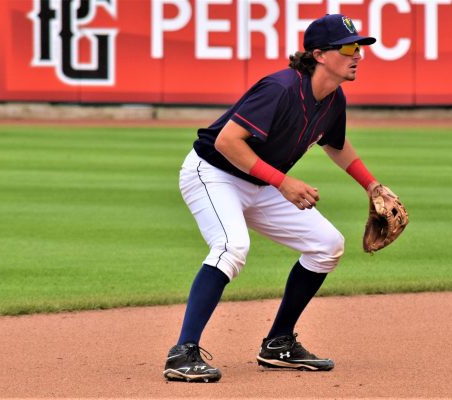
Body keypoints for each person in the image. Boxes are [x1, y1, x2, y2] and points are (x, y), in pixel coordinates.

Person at [163, 14, 386, 383]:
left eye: (360, 47)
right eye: (348, 47)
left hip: (260, 181)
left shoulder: (332, 98)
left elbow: (336, 143)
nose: (358, 54)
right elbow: (226, 142)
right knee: (231, 246)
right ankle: (182, 352)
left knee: (327, 245)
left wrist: (372, 185)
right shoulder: (281, 88)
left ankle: (278, 343)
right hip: (213, 173)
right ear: (319, 54)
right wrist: (282, 182)